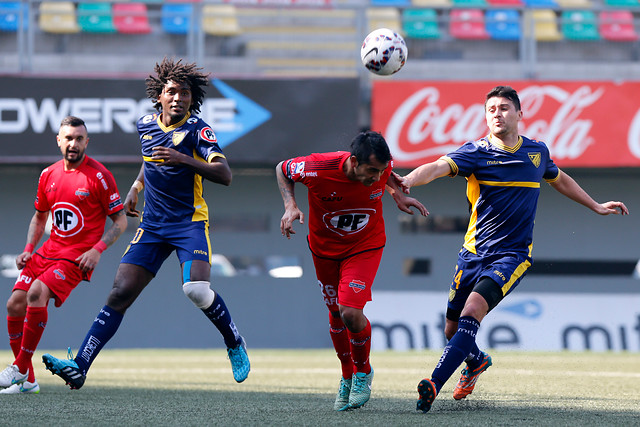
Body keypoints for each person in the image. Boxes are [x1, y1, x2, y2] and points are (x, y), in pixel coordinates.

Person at [398, 86, 629, 413]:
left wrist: (594, 205)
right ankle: (476, 362)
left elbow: (559, 178)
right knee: (452, 329)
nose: (497, 113)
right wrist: (408, 180)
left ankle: (433, 384)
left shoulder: (536, 152)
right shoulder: (475, 152)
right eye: (491, 108)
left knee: (471, 312)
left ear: (520, 114)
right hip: (472, 255)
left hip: (512, 256)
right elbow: (437, 167)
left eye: (504, 107)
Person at [42, 57, 251, 389]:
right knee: (119, 292)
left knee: (196, 289)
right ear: (160, 96)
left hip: (188, 222)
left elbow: (225, 175)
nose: (179, 98)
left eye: (185, 93)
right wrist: (135, 188)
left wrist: (184, 158)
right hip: (153, 224)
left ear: (192, 99)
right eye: (172, 92)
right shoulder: (145, 124)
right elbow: (149, 159)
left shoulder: (198, 130)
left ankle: (234, 342)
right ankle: (80, 365)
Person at [276, 131, 428, 411]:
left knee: (349, 311)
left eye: (381, 171)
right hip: (324, 250)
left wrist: (397, 196)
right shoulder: (316, 168)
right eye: (371, 171)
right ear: (354, 161)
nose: (376, 177)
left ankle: (363, 373)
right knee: (335, 314)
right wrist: (290, 205)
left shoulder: (381, 169)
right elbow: (282, 169)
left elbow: (389, 175)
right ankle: (346, 375)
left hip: (365, 246)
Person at [0, 116, 127, 394]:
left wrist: (97, 250)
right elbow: (39, 216)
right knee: (13, 305)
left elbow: (120, 221)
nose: (73, 143)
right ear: (59, 141)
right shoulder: (48, 174)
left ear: (86, 142)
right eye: (68, 138)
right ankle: (29, 380)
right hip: (48, 250)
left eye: (79, 138)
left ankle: (19, 367)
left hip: (77, 256)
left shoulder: (100, 176)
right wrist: (27, 250)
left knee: (35, 294)